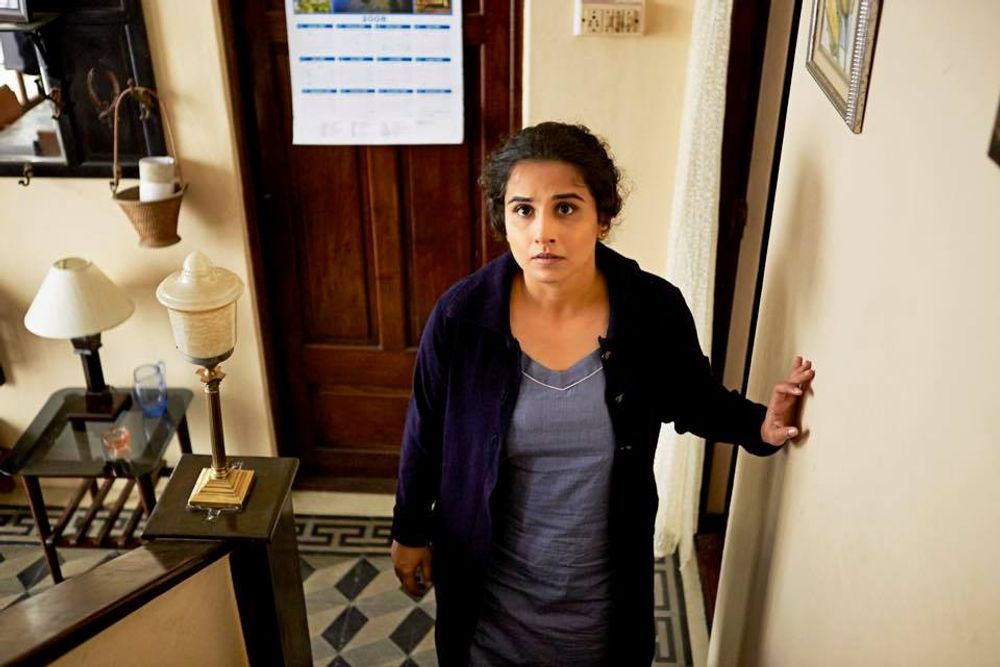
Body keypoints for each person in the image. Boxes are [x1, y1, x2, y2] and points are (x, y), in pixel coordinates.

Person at [390, 122, 814, 666]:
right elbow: (425, 433)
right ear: (503, 221)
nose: (543, 231)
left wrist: (760, 425)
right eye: (523, 210)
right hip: (489, 604)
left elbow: (694, 398)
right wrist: (410, 529)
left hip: (599, 605)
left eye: (565, 208)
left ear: (602, 217)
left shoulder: (651, 310)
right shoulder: (461, 317)